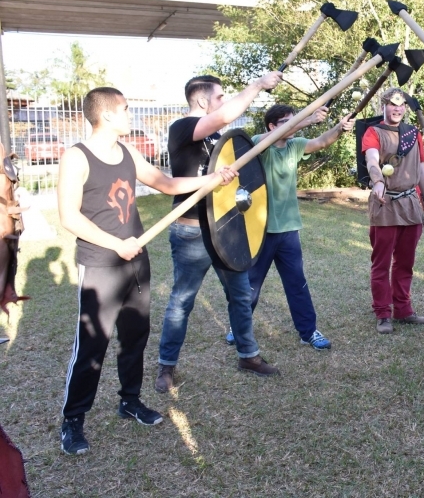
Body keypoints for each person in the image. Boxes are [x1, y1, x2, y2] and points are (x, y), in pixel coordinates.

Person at [58, 87, 238, 455]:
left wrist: (212, 179)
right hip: (101, 263)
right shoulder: (76, 157)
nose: (130, 115)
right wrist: (115, 244)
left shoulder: (126, 152)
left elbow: (167, 184)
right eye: (125, 109)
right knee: (93, 344)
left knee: (136, 335)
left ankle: (130, 401)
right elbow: (68, 217)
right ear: (106, 115)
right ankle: (73, 421)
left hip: (136, 261)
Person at [155, 72, 282, 393]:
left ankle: (248, 355)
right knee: (181, 301)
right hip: (192, 233)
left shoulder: (218, 139)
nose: (224, 101)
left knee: (240, 296)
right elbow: (226, 115)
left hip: (227, 231)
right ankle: (166, 366)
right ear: (201, 100)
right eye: (219, 95)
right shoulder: (183, 128)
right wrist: (256, 86)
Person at [246, 104, 355, 349]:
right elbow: (266, 141)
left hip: (288, 230)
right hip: (260, 229)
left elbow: (321, 142)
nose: (294, 125)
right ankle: (238, 326)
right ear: (273, 126)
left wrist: (339, 128)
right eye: (287, 122)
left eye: (294, 121)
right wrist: (308, 120)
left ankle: (308, 332)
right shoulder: (259, 144)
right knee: (251, 285)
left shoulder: (294, 146)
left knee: (297, 284)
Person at [362, 88, 424, 334]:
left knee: (406, 262)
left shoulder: (413, 134)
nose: (397, 109)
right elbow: (372, 160)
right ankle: (383, 313)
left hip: (411, 205)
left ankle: (403, 310)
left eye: (402, 105)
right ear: (384, 105)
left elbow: (421, 171)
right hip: (385, 204)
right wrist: (378, 181)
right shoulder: (373, 132)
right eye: (393, 104)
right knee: (381, 264)